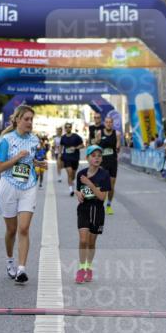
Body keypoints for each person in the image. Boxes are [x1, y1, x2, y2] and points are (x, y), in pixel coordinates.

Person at [0, 106, 47, 284]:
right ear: (17, 120)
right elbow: (0, 167)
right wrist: (17, 157)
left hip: (28, 185)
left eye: (31, 119)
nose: (29, 122)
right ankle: (10, 261)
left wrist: (38, 162)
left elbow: (30, 160)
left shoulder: (34, 140)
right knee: (11, 230)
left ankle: (21, 269)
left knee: (23, 228)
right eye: (26, 119)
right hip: (9, 186)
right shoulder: (6, 140)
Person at [75, 146, 112, 283]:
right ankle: (81, 268)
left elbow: (102, 197)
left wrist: (90, 184)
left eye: (99, 156)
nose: (97, 158)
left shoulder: (104, 175)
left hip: (97, 210)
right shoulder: (81, 174)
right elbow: (78, 190)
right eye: (93, 155)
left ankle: (89, 267)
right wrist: (78, 194)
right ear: (87, 158)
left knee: (91, 242)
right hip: (84, 209)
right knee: (83, 240)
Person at [97, 115, 120, 214]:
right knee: (102, 184)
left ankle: (109, 205)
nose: (109, 124)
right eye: (107, 122)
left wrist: (118, 147)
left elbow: (118, 146)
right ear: (104, 123)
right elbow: (96, 146)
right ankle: (100, 203)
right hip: (102, 162)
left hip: (112, 162)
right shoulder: (99, 133)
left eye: (110, 122)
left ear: (112, 123)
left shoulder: (117, 134)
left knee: (111, 185)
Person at [59, 122, 84, 195]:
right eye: (66, 127)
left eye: (69, 127)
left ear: (71, 128)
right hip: (66, 157)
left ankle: (71, 182)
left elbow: (82, 145)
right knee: (69, 173)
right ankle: (71, 190)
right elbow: (61, 146)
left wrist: (75, 148)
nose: (67, 128)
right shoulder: (63, 137)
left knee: (73, 175)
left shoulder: (76, 136)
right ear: (65, 128)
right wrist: (60, 154)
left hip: (75, 158)